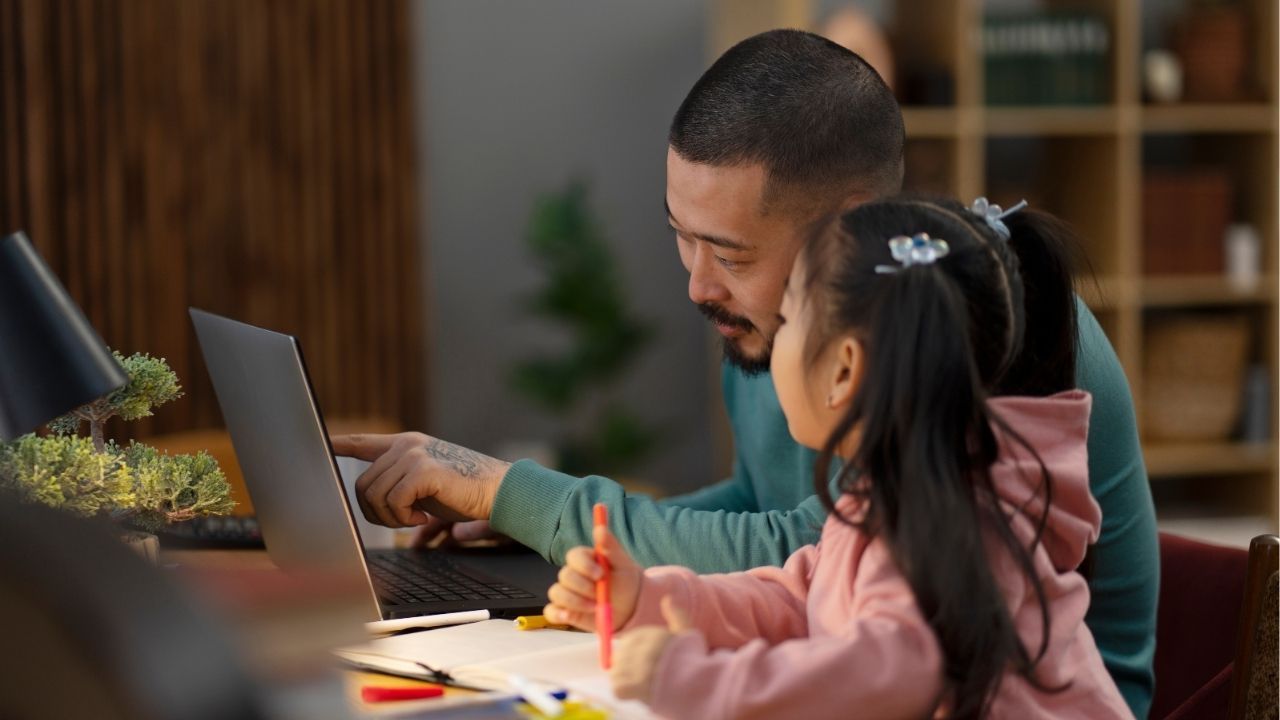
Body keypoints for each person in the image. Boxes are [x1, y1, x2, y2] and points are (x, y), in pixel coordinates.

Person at [330, 30, 1157, 716]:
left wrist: (526, 496)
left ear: (851, 238)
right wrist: (611, 563)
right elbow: (798, 554)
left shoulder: (965, 327)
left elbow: (839, 587)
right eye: (681, 236)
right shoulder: (778, 333)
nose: (697, 284)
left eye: (728, 254)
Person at [544, 197, 1134, 719]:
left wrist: (699, 683)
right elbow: (804, 600)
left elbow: (886, 672)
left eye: (789, 320)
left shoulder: (946, 521)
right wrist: (651, 598)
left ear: (845, 369)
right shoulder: (901, 489)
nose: (775, 344)